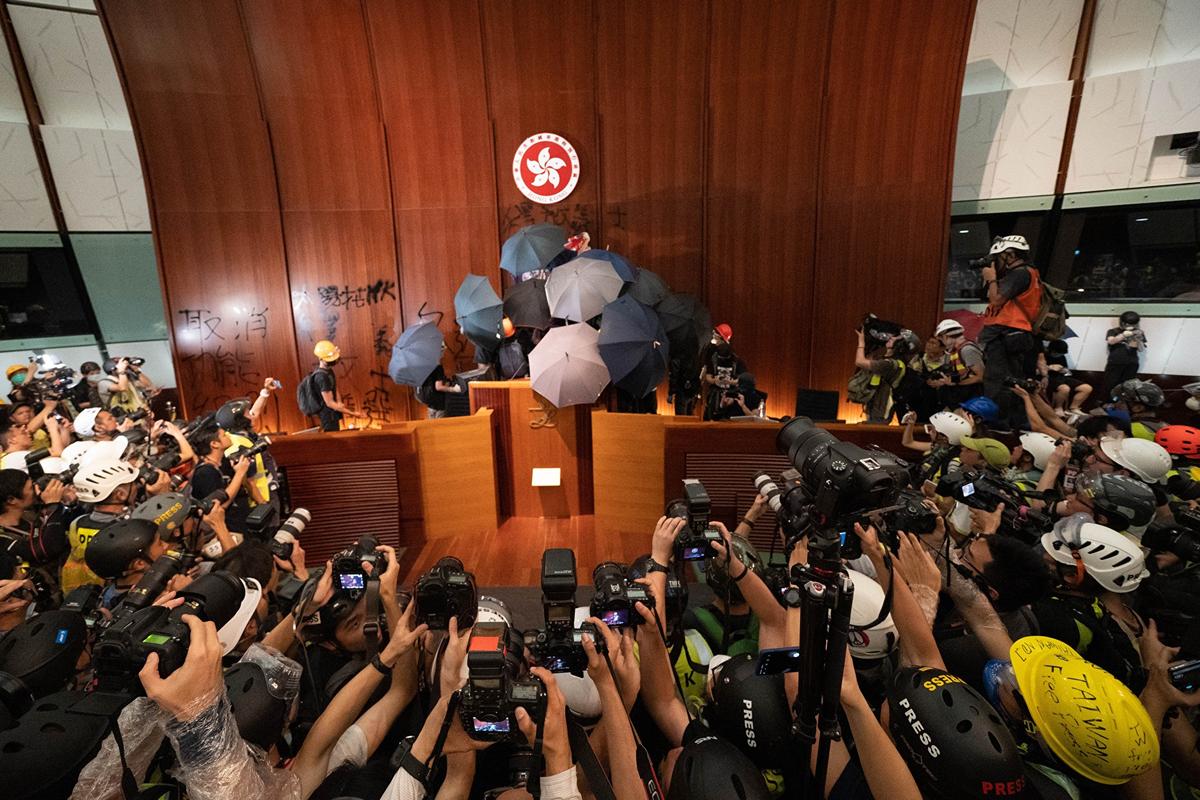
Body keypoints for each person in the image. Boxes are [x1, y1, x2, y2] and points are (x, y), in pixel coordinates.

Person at [978, 234, 1043, 430]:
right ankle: (1018, 422)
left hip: (1005, 333)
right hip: (1015, 334)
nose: (996, 263)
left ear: (1010, 254)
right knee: (1013, 381)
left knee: (997, 381)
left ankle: (998, 423)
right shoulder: (1029, 273)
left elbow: (996, 300)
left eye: (998, 257)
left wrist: (991, 280)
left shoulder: (1020, 273)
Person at [308, 341, 353, 432]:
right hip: (327, 415)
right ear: (321, 359)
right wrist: (353, 413)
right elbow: (329, 403)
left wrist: (339, 402)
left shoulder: (329, 371)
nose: (333, 361)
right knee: (332, 438)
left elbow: (334, 388)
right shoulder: (321, 377)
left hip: (333, 413)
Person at [1105, 311, 1146, 397]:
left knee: (1128, 385)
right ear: (1123, 323)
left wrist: (1139, 339)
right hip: (1116, 362)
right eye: (1128, 324)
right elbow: (1111, 341)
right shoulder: (1113, 331)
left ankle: (1124, 404)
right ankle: (1108, 403)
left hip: (1132, 362)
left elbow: (1141, 349)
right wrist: (1123, 335)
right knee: (1110, 383)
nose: (1131, 326)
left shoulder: (1138, 332)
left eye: (1134, 324)